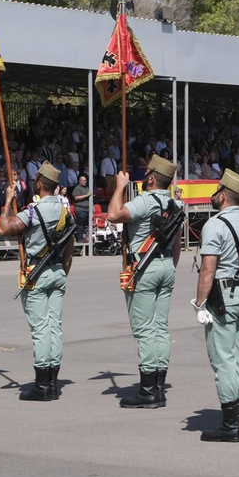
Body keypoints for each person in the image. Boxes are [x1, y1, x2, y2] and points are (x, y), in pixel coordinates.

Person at [105, 155, 184, 409]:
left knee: (146, 329)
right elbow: (176, 242)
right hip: (165, 265)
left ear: (151, 178)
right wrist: (169, 266)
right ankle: (158, 385)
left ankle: (148, 389)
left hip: (144, 267)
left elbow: (114, 215)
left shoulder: (144, 201)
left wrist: (119, 187)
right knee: (160, 327)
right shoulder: (173, 203)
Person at [0, 162, 75, 402]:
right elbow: (70, 250)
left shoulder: (32, 211)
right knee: (54, 327)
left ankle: (42, 384)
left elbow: (3, 228)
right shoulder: (65, 212)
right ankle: (53, 380)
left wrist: (8, 201)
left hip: (35, 272)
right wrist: (62, 272)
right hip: (57, 270)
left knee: (40, 329)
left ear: (39, 183)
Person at [193, 168, 239, 442]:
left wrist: (199, 304)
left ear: (222, 194)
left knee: (222, 359)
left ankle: (230, 424)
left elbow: (207, 270)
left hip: (223, 295)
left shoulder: (215, 224)